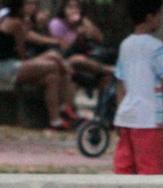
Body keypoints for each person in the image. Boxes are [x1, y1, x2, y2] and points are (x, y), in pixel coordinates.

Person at [112, 0, 163, 175]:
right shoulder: (156, 46)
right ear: (149, 17)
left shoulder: (125, 45)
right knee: (149, 169)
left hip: (126, 116)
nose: (160, 19)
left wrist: (119, 113)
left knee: (124, 167)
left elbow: (120, 81)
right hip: (149, 118)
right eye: (159, 15)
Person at [0, 0, 77, 129]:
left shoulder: (26, 22)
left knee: (51, 77)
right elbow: (21, 52)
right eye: (28, 4)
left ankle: (56, 121)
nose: (32, 7)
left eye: (34, 4)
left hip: (16, 63)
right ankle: (65, 105)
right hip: (7, 67)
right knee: (54, 65)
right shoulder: (15, 23)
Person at [48, 0, 112, 78]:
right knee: (78, 59)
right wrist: (77, 36)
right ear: (63, 9)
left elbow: (100, 39)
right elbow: (64, 49)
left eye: (77, 7)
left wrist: (87, 25)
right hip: (65, 58)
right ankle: (111, 70)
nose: (74, 10)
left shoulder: (83, 21)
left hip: (87, 55)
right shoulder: (56, 23)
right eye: (70, 7)